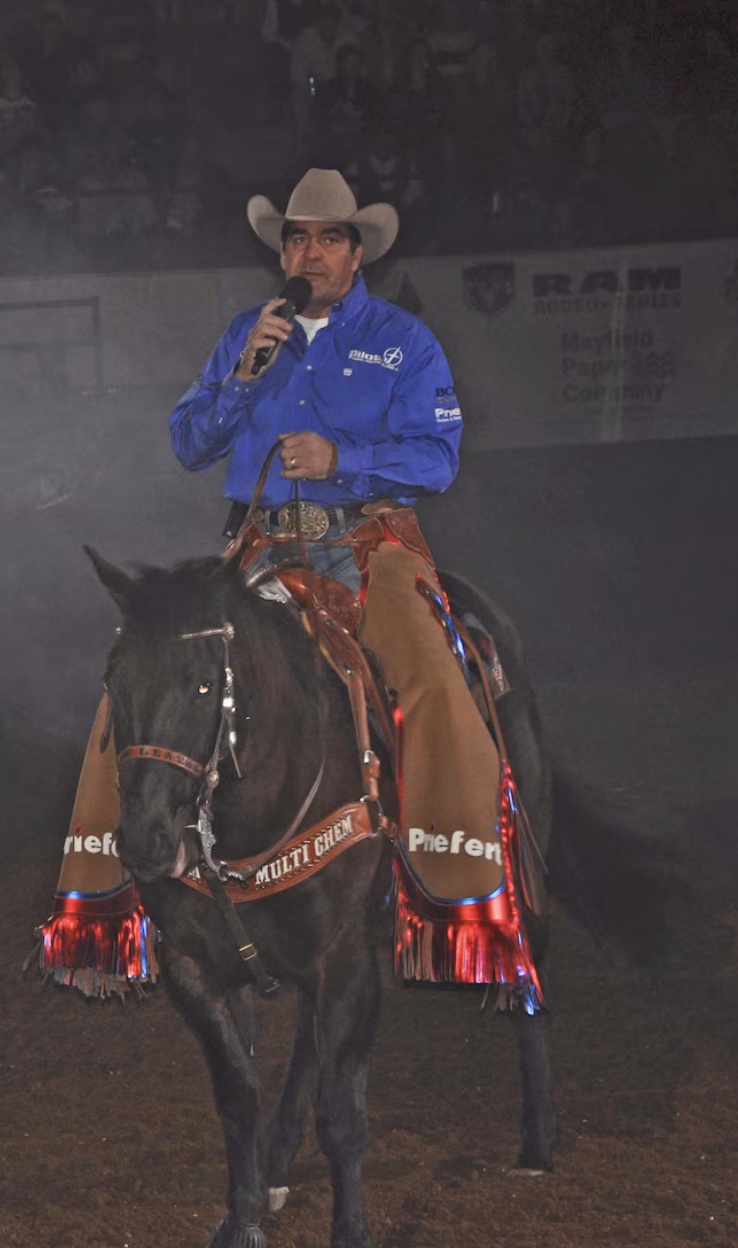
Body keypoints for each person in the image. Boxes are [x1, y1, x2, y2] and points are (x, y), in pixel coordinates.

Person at [37, 168, 537, 999]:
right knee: (144, 668)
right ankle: (105, 905)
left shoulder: (403, 341)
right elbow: (190, 443)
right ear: (283, 249)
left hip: (370, 541)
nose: (311, 251)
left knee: (432, 678)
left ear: (355, 252)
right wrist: (241, 379)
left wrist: (346, 459)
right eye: (298, 238)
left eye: (329, 238)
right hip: (261, 546)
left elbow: (437, 457)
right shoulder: (248, 333)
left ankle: (462, 903)